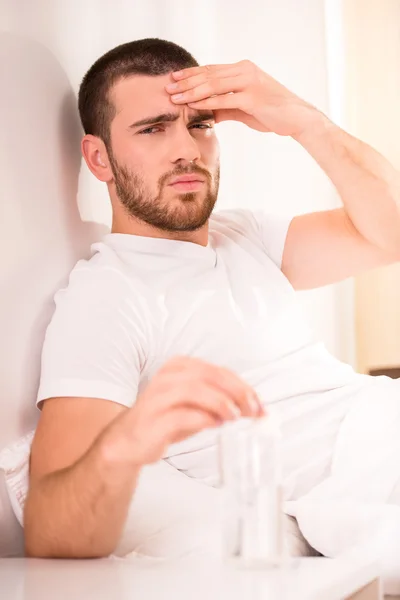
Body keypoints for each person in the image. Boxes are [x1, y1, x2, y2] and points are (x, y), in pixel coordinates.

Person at [24, 38, 400, 560]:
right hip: (365, 484)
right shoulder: (108, 297)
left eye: (199, 124)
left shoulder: (244, 236)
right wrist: (131, 438)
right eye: (153, 128)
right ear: (98, 158)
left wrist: (303, 120)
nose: (187, 149)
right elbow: (49, 531)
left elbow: (391, 233)